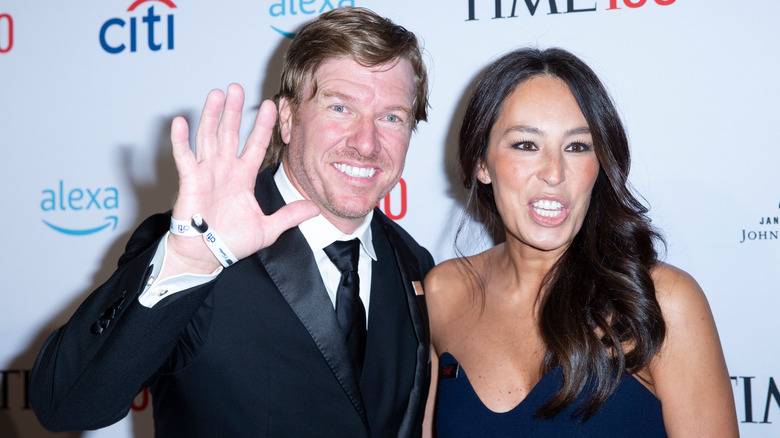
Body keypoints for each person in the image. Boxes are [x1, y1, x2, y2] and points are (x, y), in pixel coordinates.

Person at [30, 7, 434, 437]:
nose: (366, 142)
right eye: (340, 107)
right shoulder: (196, 245)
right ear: (288, 118)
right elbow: (66, 405)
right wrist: (187, 262)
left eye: (392, 117)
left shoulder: (415, 264)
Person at [422, 48, 738, 437]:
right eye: (526, 144)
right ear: (481, 164)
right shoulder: (444, 293)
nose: (554, 173)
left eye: (577, 147)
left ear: (600, 164)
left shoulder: (663, 301)